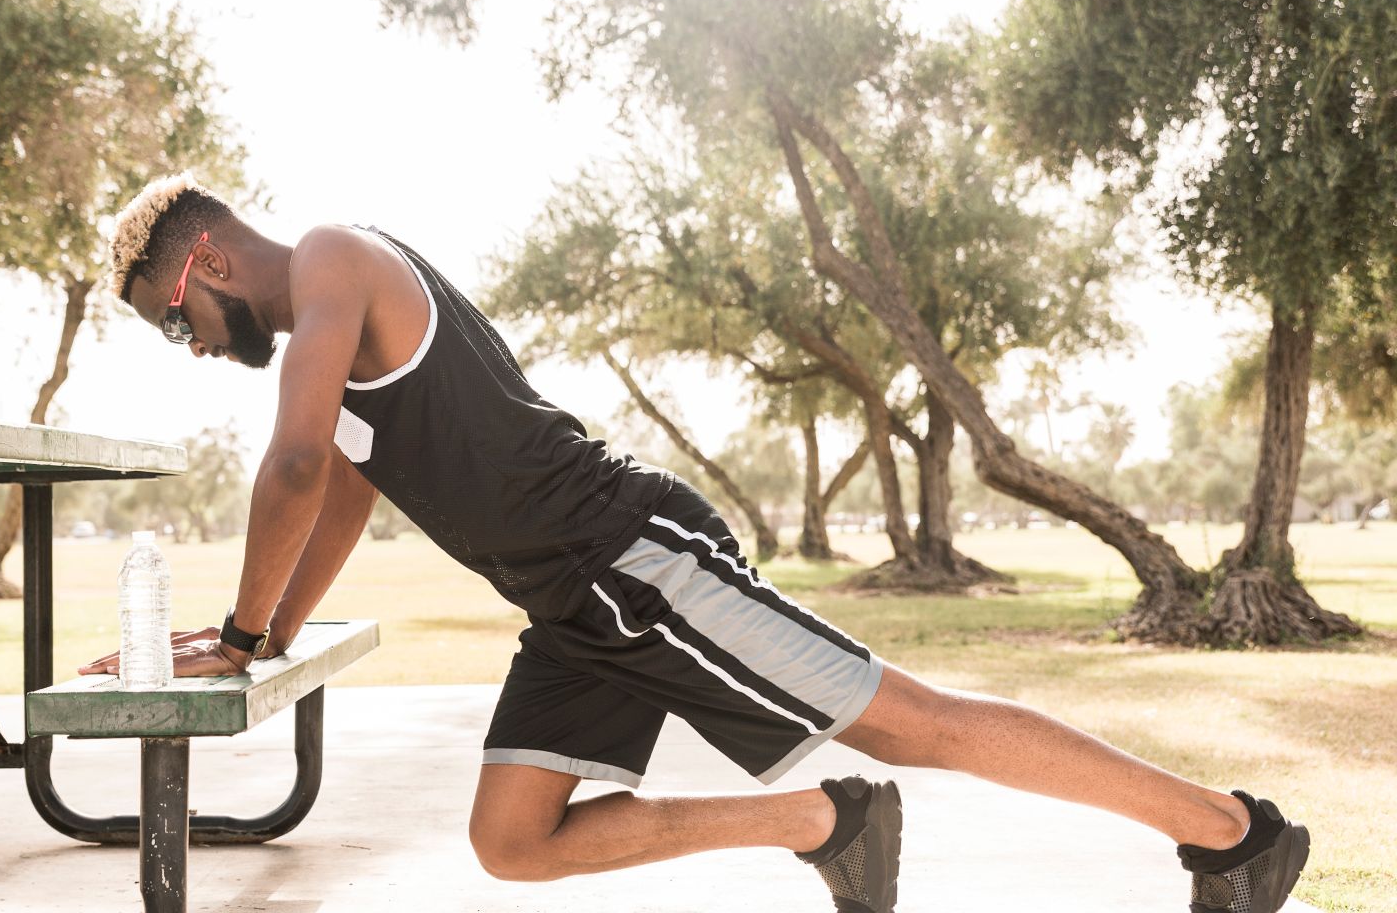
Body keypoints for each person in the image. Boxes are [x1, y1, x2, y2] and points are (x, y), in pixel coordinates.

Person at [77, 174, 1309, 913]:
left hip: (629, 558)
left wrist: (239, 640)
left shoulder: (337, 261)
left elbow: (294, 467)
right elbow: (342, 486)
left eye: (174, 319)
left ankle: (1234, 834)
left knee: (910, 720)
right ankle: (828, 827)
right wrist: (268, 631)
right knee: (513, 841)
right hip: (572, 606)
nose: (187, 344)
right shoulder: (323, 343)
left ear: (209, 259)